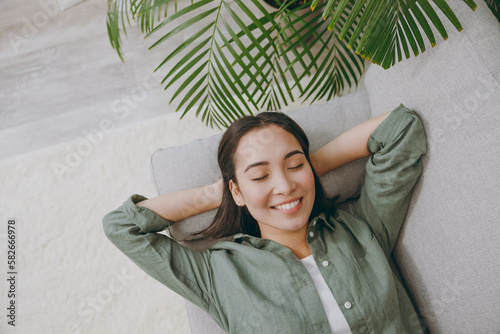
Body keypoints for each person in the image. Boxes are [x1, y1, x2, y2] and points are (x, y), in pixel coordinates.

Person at [103, 104, 427, 333]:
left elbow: (402, 128)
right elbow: (123, 227)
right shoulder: (219, 275)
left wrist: (310, 167)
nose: (284, 186)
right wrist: (220, 194)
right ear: (238, 191)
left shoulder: (362, 226)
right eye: (259, 176)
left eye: (294, 165)